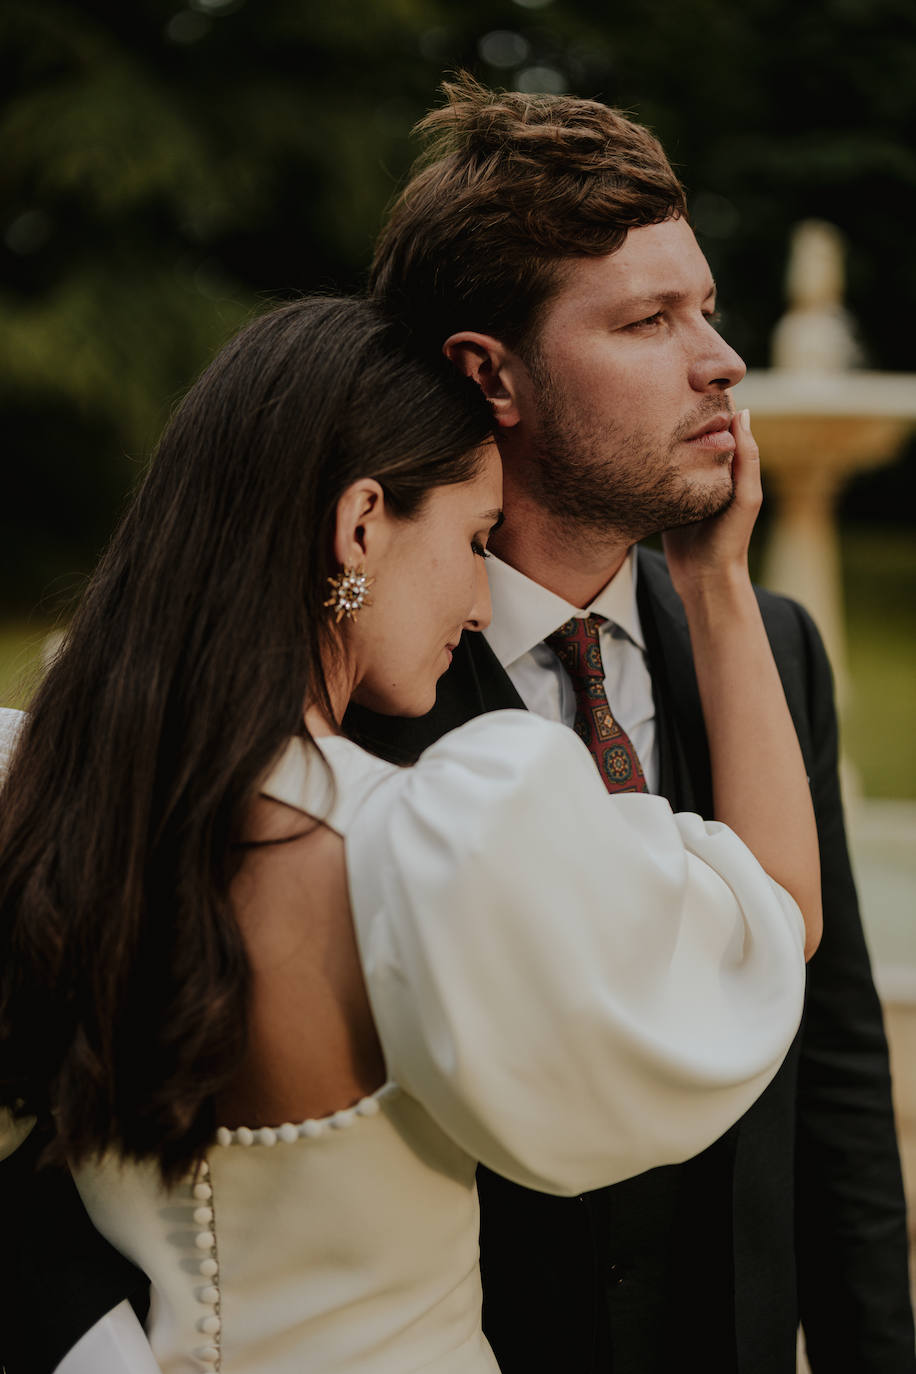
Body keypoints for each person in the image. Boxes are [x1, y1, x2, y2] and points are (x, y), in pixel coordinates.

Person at [0, 294, 819, 1374]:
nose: (480, 601)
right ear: (359, 525)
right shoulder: (423, 851)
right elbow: (770, 922)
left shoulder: (42, 793)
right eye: (476, 540)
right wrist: (713, 581)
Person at [349, 76, 915, 1373]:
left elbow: (833, 1070)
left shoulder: (772, 648)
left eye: (706, 309)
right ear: (491, 374)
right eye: (650, 320)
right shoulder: (361, 683)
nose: (720, 360)